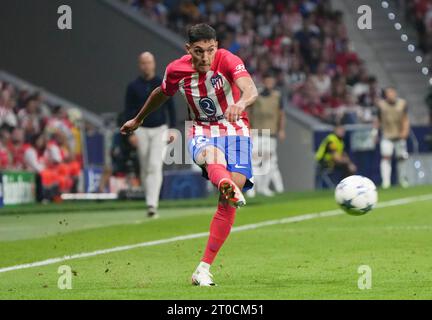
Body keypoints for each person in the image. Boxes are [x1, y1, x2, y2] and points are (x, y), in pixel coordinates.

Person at [121, 24, 258, 286]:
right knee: (211, 155)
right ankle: (224, 182)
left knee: (230, 197)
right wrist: (138, 119)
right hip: (201, 129)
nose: (205, 57)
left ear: (216, 46)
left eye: (210, 50)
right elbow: (161, 93)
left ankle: (202, 268)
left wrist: (240, 103)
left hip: (236, 129)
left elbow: (250, 88)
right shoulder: (176, 70)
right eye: (198, 51)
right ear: (188, 49)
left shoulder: (228, 59)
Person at [124, 52, 177, 218]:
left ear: (154, 64)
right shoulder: (133, 87)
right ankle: (150, 199)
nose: (146, 66)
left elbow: (171, 107)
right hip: (141, 129)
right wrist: (130, 133)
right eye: (143, 63)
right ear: (140, 65)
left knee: (155, 165)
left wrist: (172, 129)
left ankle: (152, 204)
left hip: (159, 129)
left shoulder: (162, 83)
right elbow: (128, 111)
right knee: (145, 166)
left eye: (149, 62)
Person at [248, 72, 286, 197]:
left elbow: (281, 114)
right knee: (253, 161)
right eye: (267, 81)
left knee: (268, 162)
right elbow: (249, 111)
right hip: (257, 132)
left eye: (271, 81)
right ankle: (251, 189)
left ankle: (264, 188)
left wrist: (281, 129)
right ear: (264, 81)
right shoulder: (256, 94)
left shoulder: (277, 96)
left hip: (271, 133)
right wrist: (248, 127)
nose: (269, 83)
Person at [375, 87, 410, 189]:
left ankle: (402, 180)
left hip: (399, 135)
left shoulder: (402, 103)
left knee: (402, 158)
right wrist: (375, 133)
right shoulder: (381, 105)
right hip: (387, 135)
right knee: (386, 157)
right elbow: (378, 120)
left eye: (392, 92)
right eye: (388, 93)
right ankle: (386, 182)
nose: (390, 95)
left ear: (395, 93)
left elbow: (405, 119)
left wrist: (405, 131)